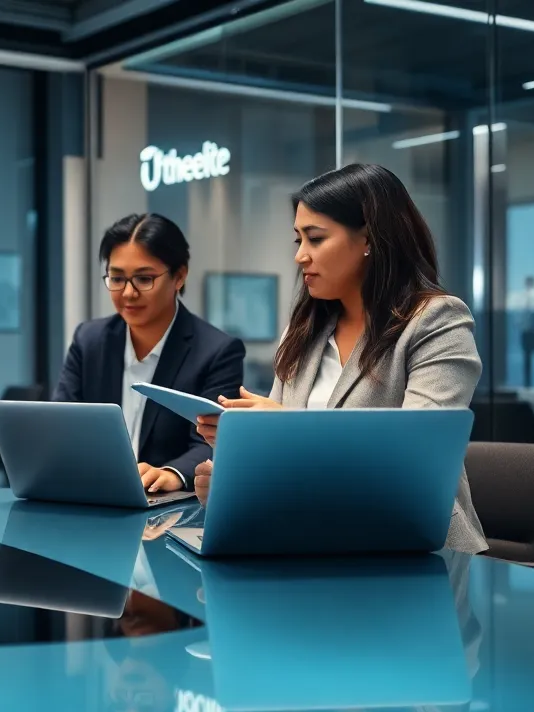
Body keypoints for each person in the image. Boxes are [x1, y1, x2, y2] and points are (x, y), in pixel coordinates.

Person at [192, 163, 487, 554]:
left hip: (416, 555)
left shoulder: (437, 321)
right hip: (313, 541)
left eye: (315, 239)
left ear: (369, 238)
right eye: (297, 240)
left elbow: (415, 463)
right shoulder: (304, 331)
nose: (300, 256)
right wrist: (235, 482)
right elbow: (292, 467)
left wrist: (283, 427)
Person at [54, 213, 244, 492]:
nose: (128, 293)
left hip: (165, 511)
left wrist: (172, 473)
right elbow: (61, 424)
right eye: (117, 278)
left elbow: (213, 440)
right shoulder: (90, 340)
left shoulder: (216, 351)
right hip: (94, 494)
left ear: (179, 276)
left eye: (143, 279)